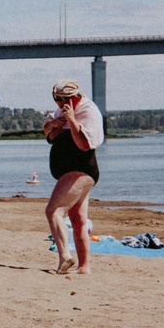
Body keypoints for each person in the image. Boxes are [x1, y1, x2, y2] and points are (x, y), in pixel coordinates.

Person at [43, 79, 105, 275]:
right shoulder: (61, 110)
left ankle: (65, 258)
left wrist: (71, 121)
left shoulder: (88, 112)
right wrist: (55, 123)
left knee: (53, 211)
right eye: (57, 100)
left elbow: (84, 145)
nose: (61, 104)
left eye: (64, 100)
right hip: (68, 170)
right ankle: (84, 267)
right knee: (78, 219)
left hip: (80, 169)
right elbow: (50, 136)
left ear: (76, 96)